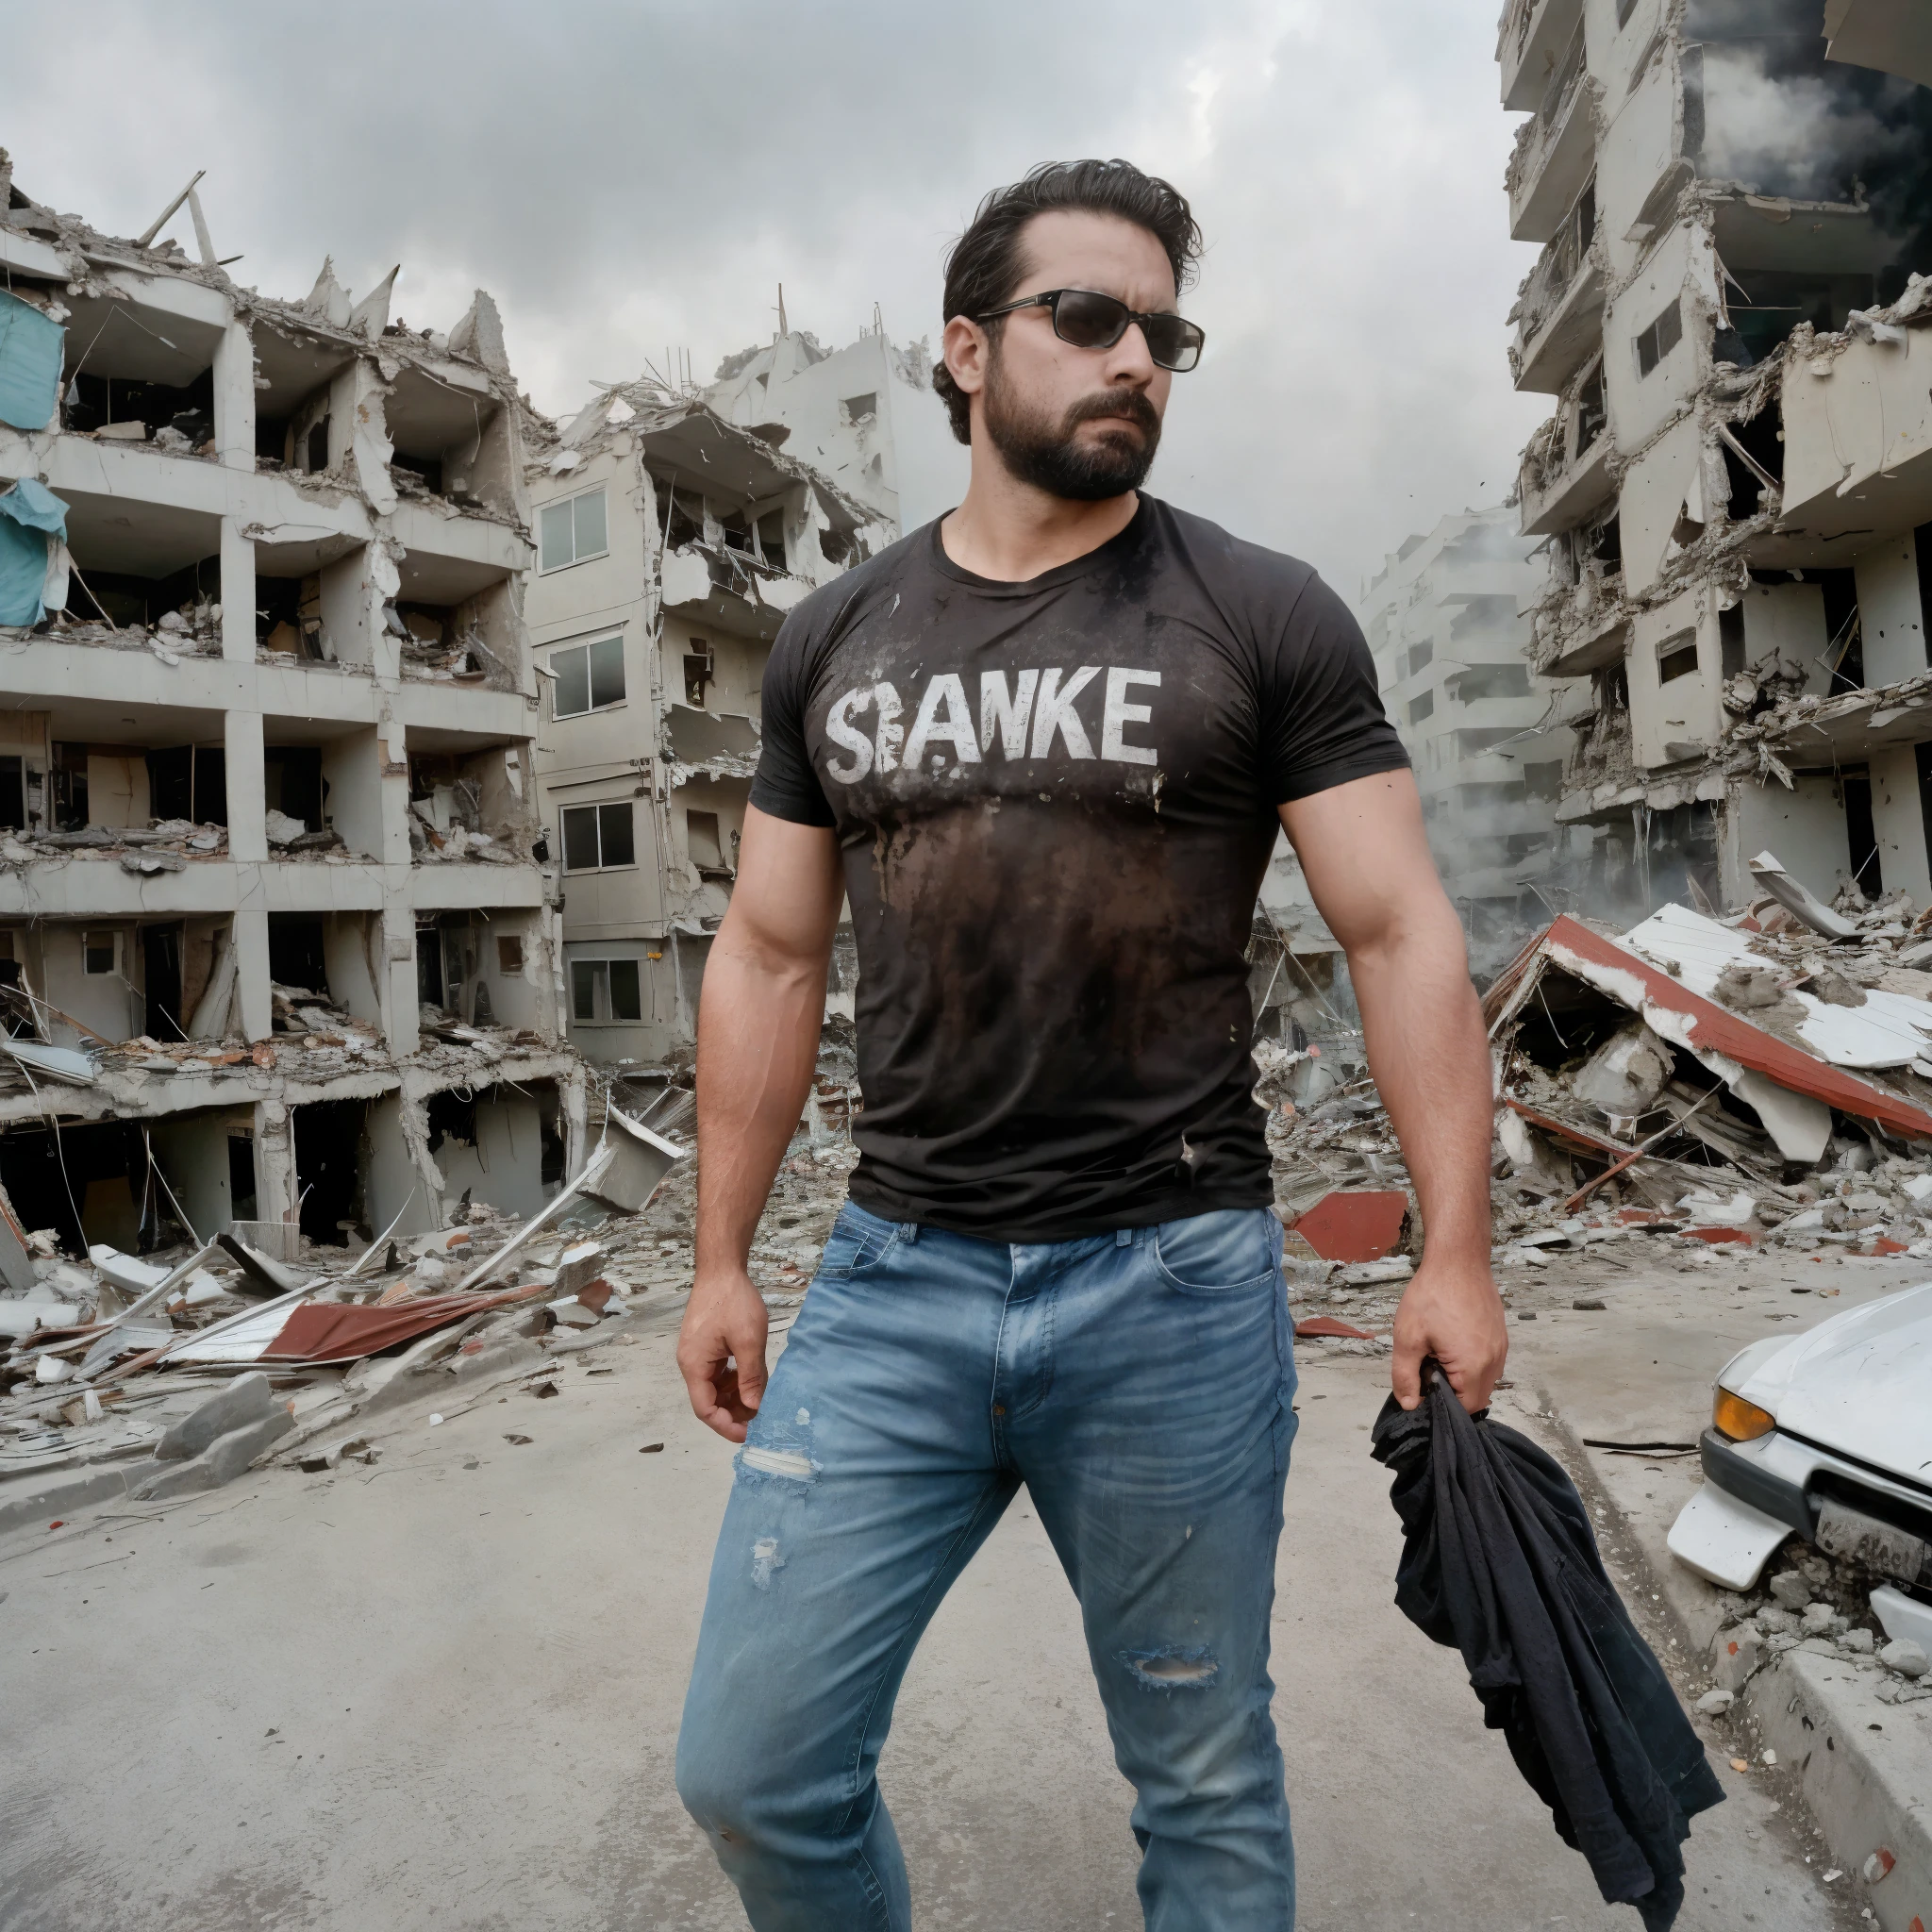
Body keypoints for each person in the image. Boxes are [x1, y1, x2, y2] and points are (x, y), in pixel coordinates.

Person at [674, 158, 1507, 1931]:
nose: (1139, 356)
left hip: (1176, 1280)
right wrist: (721, 1258)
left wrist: (1455, 1251)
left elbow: (1397, 928)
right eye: (1089, 317)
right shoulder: (834, 635)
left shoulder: (1261, 613)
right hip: (898, 1277)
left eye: (1166, 331)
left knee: (1203, 1785)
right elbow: (763, 951)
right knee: (753, 1771)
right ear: (966, 351)